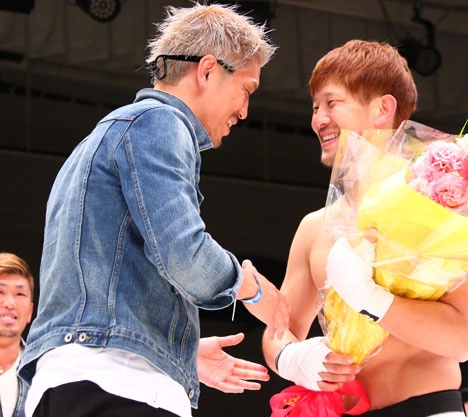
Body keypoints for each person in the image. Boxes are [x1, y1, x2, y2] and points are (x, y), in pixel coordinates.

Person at [18, 3, 289, 417]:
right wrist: (249, 287)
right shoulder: (158, 122)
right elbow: (183, 253)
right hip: (117, 383)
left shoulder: (109, 134)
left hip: (83, 377)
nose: (245, 111)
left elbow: (108, 276)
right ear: (208, 71)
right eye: (246, 90)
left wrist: (178, 351)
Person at [262, 39, 468, 416]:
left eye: (332, 103)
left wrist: (372, 300)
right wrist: (293, 357)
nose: (318, 119)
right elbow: (279, 327)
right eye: (315, 107)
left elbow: (464, 339)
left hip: (427, 406)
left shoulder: (443, 205)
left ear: (383, 108)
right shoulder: (315, 228)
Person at [0, 252, 34, 417]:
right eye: (0, 291)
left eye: (20, 294)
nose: (9, 303)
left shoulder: (42, 372)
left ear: (30, 312)